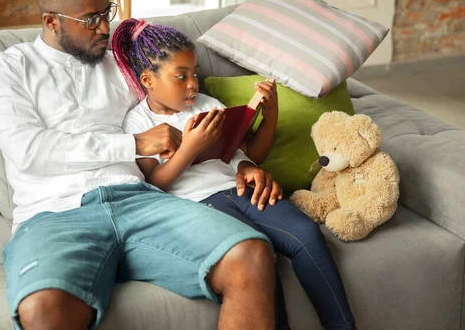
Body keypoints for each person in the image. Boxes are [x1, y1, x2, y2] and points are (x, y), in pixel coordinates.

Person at [0, 0, 279, 330]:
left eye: (107, 13)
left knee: (251, 254)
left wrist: (241, 153)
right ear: (51, 21)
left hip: (142, 201)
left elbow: (183, 101)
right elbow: (30, 151)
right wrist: (133, 143)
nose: (105, 27)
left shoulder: (121, 67)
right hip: (55, 214)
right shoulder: (5, 69)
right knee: (43, 308)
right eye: (90, 20)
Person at [115, 18, 357, 330]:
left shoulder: (207, 104)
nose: (193, 84)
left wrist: (264, 127)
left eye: (195, 74)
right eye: (181, 76)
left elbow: (245, 154)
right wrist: (189, 147)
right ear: (148, 80)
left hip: (239, 187)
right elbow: (154, 183)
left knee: (306, 234)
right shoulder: (137, 124)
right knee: (260, 257)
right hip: (200, 204)